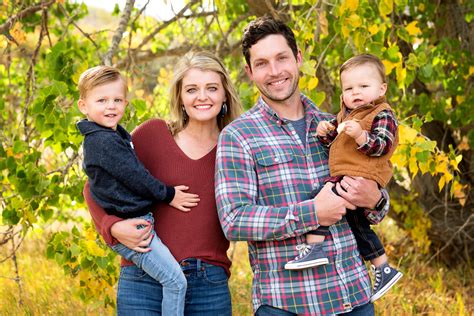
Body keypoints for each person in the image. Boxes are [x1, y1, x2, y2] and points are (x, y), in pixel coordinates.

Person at [215, 16, 391, 315]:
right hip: (288, 304)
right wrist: (311, 214)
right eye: (261, 63)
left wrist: (375, 200)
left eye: (282, 58)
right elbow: (234, 219)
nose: (274, 71)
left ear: (298, 59)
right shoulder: (238, 136)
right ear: (249, 72)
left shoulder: (337, 127)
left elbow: (373, 197)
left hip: (354, 298)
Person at [82, 51, 242, 315]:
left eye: (211, 88)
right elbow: (93, 186)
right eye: (191, 89)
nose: (202, 96)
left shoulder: (236, 146)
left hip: (208, 285)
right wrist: (113, 227)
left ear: (225, 94)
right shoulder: (152, 135)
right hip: (143, 278)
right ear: (180, 96)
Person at [76, 65, 201, 315]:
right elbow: (137, 178)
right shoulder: (102, 141)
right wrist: (169, 194)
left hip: (139, 223)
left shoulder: (111, 136)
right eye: (101, 100)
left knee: (170, 280)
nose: (111, 106)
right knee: (176, 282)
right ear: (83, 106)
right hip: (135, 230)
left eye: (117, 100)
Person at [285, 54, 403, 302]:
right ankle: (382, 266)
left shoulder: (383, 114)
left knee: (321, 197)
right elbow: (336, 145)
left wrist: (361, 136)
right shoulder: (345, 116)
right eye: (349, 88)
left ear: (381, 89)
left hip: (363, 175)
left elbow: (383, 145)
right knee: (359, 226)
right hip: (349, 174)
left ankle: (314, 247)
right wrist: (325, 133)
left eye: (363, 86)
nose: (355, 92)